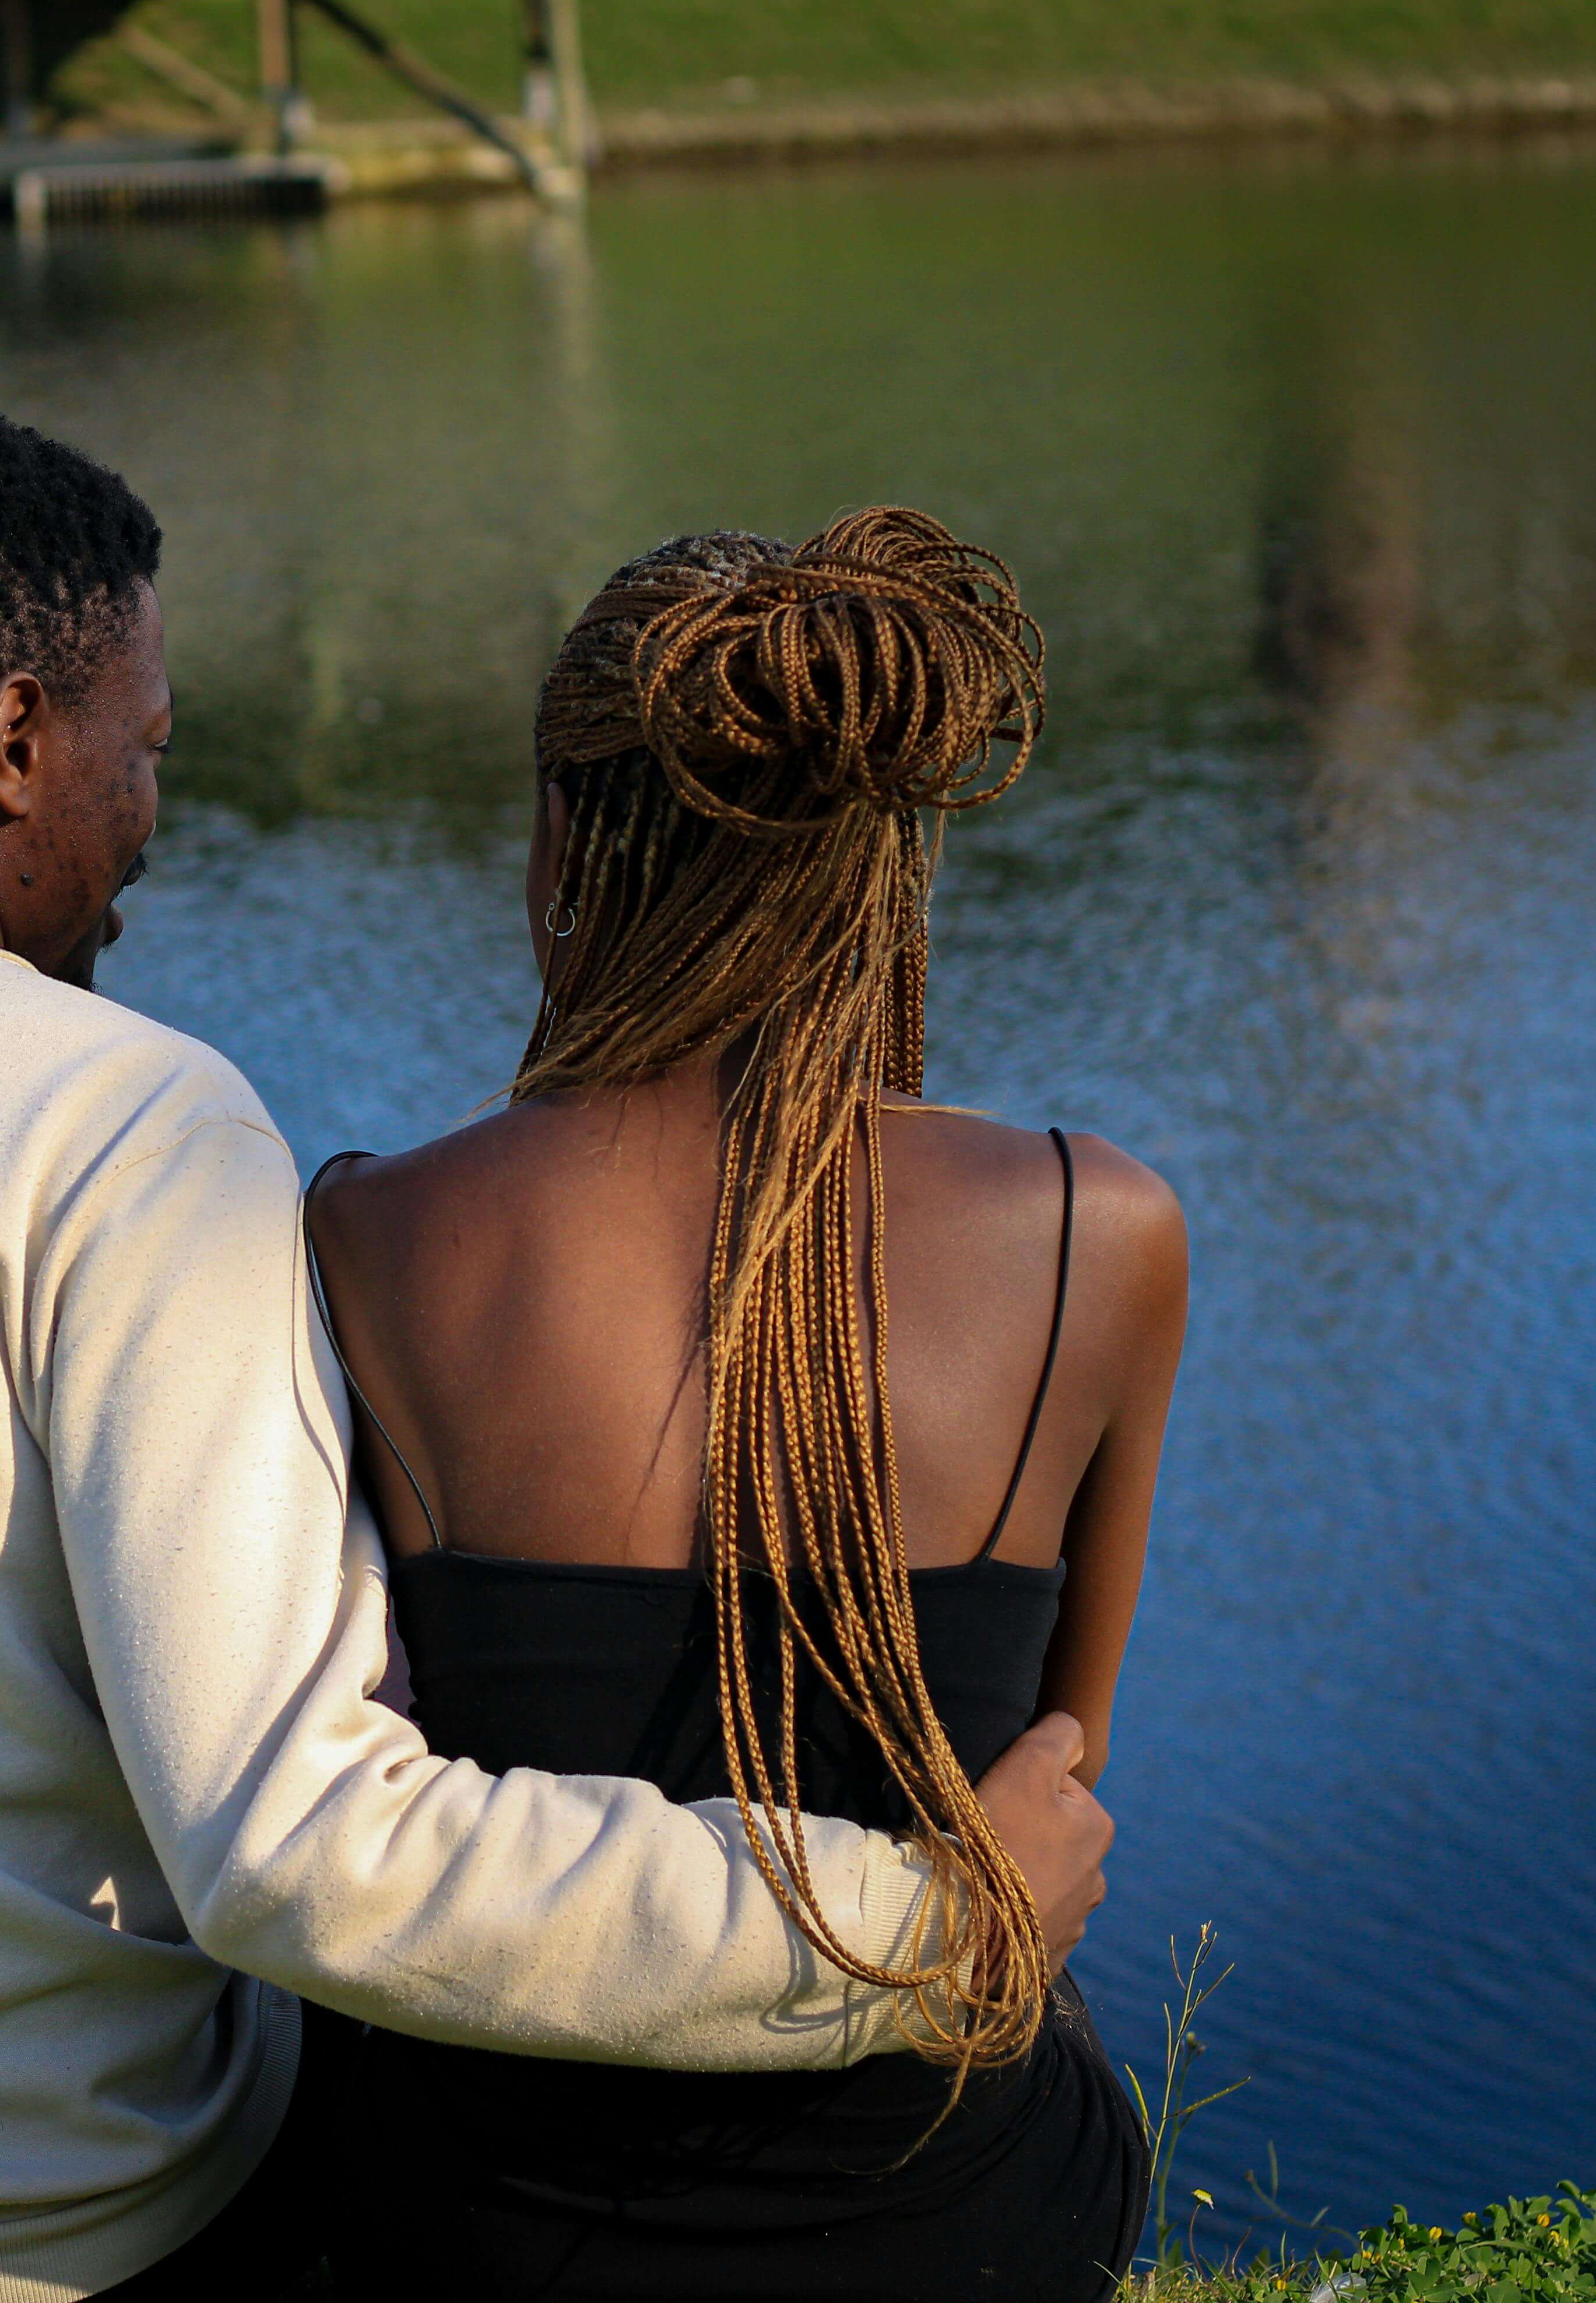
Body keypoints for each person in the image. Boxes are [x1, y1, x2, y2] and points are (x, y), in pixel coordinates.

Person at [0, 401, 1119, 2303]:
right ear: (11, 746)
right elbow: (301, 1855)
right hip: (46, 2231)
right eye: (144, 754)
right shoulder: (122, 1123)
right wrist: (922, 1917)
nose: (151, 824)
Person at [303, 515, 1189, 2301]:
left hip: (487, 2224)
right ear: (891, 862)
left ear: (566, 833)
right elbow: (1063, 1792)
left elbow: (354, 1786)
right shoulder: (1104, 1228)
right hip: (965, 2216)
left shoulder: (366, 1233)